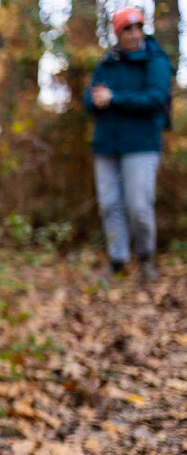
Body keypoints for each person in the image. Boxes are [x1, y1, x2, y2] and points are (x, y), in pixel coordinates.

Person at [84, 6, 171, 282]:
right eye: (127, 29)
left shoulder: (155, 60)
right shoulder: (107, 62)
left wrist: (115, 99)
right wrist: (96, 101)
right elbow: (90, 98)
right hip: (107, 145)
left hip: (142, 144)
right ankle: (117, 260)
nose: (133, 34)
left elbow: (156, 99)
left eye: (137, 28)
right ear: (118, 33)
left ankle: (145, 257)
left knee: (139, 207)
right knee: (110, 205)